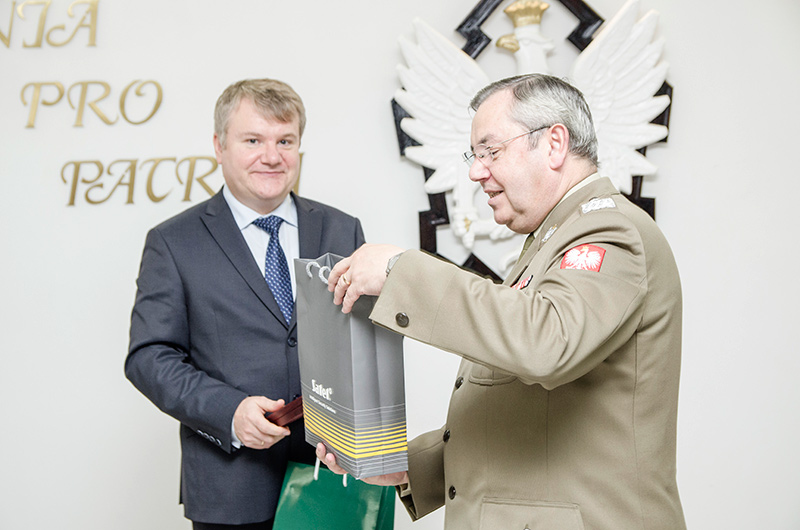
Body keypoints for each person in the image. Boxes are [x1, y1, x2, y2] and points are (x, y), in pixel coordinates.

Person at [317, 74, 686, 530]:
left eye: (490, 151)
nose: (476, 172)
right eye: (475, 156)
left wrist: (399, 270)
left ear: (554, 144)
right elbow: (525, 411)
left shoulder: (610, 230)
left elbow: (544, 343)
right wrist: (405, 467)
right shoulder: (551, 241)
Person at [126, 78, 365, 530]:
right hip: (230, 486)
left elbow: (362, 344)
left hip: (334, 475)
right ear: (219, 146)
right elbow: (149, 356)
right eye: (253, 140)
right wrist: (229, 412)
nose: (271, 156)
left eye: (285, 141)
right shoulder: (173, 243)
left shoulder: (343, 229)